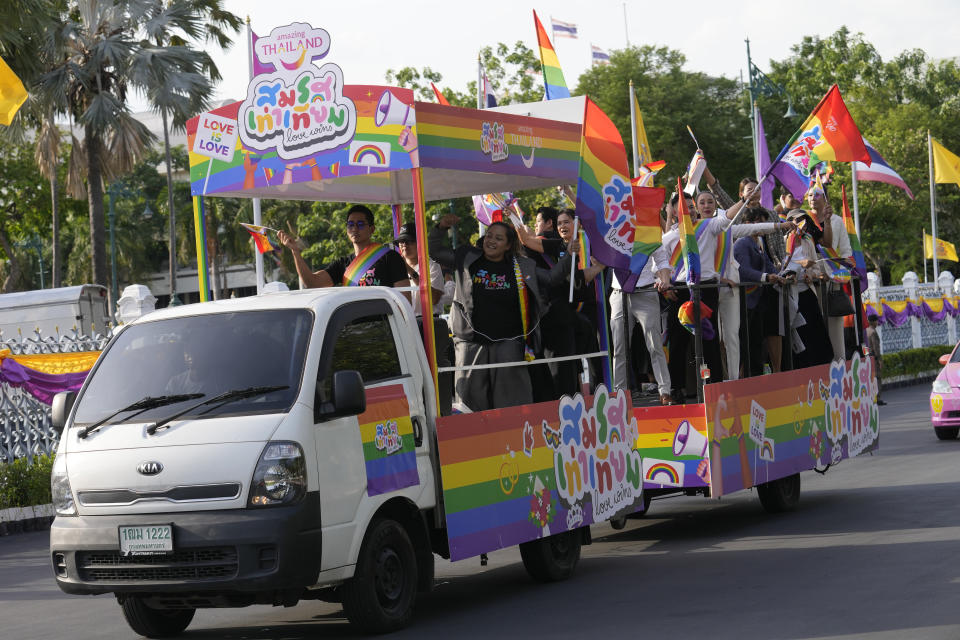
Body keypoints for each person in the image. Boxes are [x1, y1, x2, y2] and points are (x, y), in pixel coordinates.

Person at [440, 221, 589, 412]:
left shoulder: (522, 266)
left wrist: (569, 256)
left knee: (511, 401)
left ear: (509, 245)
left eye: (499, 238)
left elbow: (552, 278)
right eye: (489, 236)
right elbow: (435, 251)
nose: (491, 240)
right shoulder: (468, 259)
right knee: (471, 402)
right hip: (472, 343)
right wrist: (442, 227)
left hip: (509, 344)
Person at [662, 191, 748, 400]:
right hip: (680, 291)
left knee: (709, 339)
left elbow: (727, 217)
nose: (690, 210)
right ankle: (677, 388)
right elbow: (660, 264)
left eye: (692, 207)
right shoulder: (669, 237)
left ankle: (714, 386)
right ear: (674, 212)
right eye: (685, 207)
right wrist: (664, 284)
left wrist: (744, 201)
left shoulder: (707, 227)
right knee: (678, 340)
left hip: (706, 289)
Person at [395, 222, 454, 415]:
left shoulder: (431, 266)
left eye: (409, 241)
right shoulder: (394, 270)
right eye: (401, 242)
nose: (404, 246)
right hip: (403, 327)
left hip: (428, 325)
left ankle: (439, 413)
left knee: (433, 375)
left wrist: (410, 272)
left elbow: (434, 298)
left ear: (419, 243)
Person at [278, 205, 410, 289]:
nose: (355, 228)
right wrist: (295, 251)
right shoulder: (342, 264)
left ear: (372, 229)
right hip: (353, 329)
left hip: (383, 329)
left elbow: (404, 300)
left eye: (360, 224)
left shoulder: (390, 257)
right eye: (350, 224)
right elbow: (313, 283)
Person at [734, 208, 790, 377]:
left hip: (758, 299)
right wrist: (766, 277)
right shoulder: (742, 243)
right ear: (747, 224)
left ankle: (756, 377)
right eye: (761, 223)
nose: (764, 227)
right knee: (746, 341)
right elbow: (743, 270)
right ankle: (744, 378)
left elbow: (767, 263)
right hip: (746, 299)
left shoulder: (759, 240)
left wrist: (780, 276)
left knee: (757, 341)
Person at [782, 209, 833, 368]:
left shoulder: (808, 240)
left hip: (806, 291)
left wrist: (811, 274)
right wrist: (797, 267)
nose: (801, 225)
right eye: (797, 221)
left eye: (803, 221)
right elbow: (779, 266)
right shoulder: (782, 241)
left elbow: (816, 267)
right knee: (797, 334)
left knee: (815, 332)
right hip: (789, 293)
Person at [807, 184, 852, 361]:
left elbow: (846, 252)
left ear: (825, 198)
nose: (812, 198)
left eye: (817, 195)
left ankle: (839, 365)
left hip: (831, 280)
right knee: (814, 326)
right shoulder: (804, 219)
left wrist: (838, 274)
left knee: (834, 327)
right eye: (810, 195)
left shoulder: (836, 221)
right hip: (809, 278)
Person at [866, 312, 885, 405]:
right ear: (873, 322)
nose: (877, 323)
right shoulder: (873, 332)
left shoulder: (866, 331)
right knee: (877, 378)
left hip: (868, 357)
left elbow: (865, 346)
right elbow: (876, 347)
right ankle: (877, 398)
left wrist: (867, 355)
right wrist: (879, 360)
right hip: (874, 358)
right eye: (876, 321)